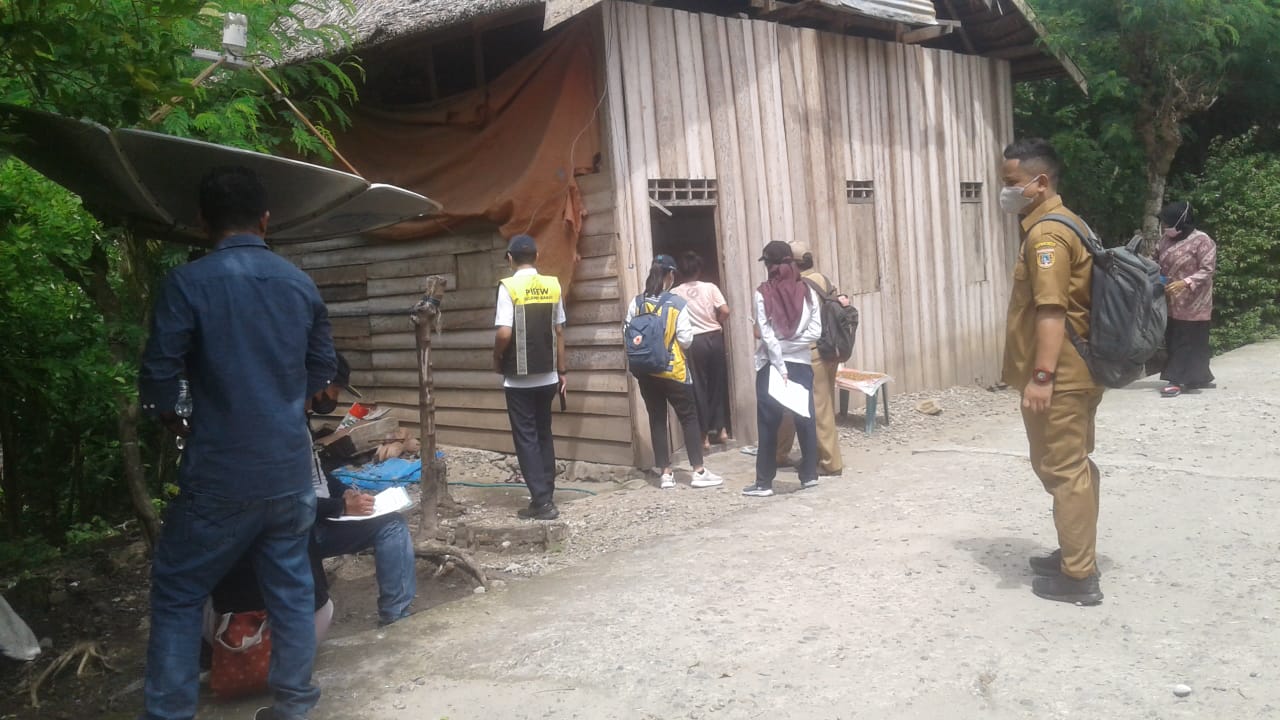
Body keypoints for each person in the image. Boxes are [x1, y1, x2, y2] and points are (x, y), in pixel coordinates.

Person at [138, 166, 334, 720]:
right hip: (289, 470)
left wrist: (173, 419)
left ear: (203, 222)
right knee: (290, 589)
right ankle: (295, 705)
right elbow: (323, 371)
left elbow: (160, 375)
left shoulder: (187, 283)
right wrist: (286, 406)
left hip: (221, 473)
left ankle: (169, 714)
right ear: (265, 220)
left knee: (179, 591)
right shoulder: (299, 283)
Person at [999, 138, 1104, 606]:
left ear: (1040, 183)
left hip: (1061, 374)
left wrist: (1042, 377)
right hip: (1080, 370)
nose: (1006, 191)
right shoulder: (1072, 222)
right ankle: (1075, 552)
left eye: (1012, 182)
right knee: (1074, 465)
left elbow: (1051, 310)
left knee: (1062, 469)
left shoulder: (1047, 235)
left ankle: (1079, 577)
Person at [307, 353, 416, 626]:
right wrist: (342, 507)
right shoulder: (287, 430)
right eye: (335, 390)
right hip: (305, 529)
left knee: (391, 522)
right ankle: (396, 616)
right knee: (392, 527)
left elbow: (316, 476)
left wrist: (344, 492)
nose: (335, 397)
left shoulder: (300, 422)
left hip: (317, 517)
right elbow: (291, 501)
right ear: (320, 383)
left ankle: (395, 612)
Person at [625, 255, 725, 489]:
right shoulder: (676, 303)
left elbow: (627, 332)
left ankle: (665, 474)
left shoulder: (636, 303)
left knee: (657, 419)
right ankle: (698, 471)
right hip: (673, 371)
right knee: (688, 418)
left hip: (646, 371)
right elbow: (686, 340)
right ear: (670, 275)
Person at [493, 234, 567, 521]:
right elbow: (559, 331)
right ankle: (547, 493)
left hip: (518, 379)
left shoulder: (508, 287)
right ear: (537, 257)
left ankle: (542, 503)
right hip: (548, 376)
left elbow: (504, 333)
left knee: (526, 439)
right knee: (544, 434)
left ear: (510, 259)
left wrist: (496, 358)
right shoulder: (553, 285)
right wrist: (562, 371)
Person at [741, 241, 823, 498]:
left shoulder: (762, 293)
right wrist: (792, 346)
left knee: (768, 423)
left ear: (768, 265)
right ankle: (809, 475)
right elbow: (815, 332)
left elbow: (766, 335)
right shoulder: (807, 292)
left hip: (771, 366)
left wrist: (779, 356)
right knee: (805, 418)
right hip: (801, 363)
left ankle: (764, 483)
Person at [773, 241, 845, 478]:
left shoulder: (800, 286)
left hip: (810, 352)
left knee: (817, 409)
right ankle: (783, 453)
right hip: (829, 350)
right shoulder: (823, 280)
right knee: (812, 405)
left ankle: (829, 463)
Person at [669, 251, 733, 450]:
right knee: (717, 384)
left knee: (698, 387)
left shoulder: (675, 293)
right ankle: (721, 430)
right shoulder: (710, 287)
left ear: (680, 272)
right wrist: (716, 322)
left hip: (694, 341)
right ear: (698, 269)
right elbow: (725, 310)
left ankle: (703, 436)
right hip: (714, 337)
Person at [1155, 201, 1217, 398]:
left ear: (1181, 222)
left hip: (1195, 300)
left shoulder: (1202, 241)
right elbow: (1155, 262)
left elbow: (1207, 269)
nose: (1166, 227)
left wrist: (1185, 282)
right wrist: (1158, 280)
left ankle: (1176, 380)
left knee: (1191, 340)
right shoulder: (1165, 240)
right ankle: (1198, 376)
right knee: (1174, 337)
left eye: (1168, 223)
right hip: (1171, 300)